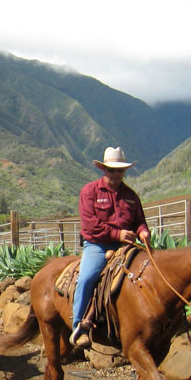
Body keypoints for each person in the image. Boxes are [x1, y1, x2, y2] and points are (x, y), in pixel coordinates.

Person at [69, 147, 151, 348]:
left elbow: (139, 220)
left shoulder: (131, 196)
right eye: (111, 170)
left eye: (120, 170)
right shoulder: (90, 192)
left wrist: (143, 231)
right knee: (87, 278)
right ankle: (78, 325)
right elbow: (90, 224)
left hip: (126, 245)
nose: (116, 174)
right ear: (103, 170)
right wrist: (117, 234)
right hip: (97, 245)